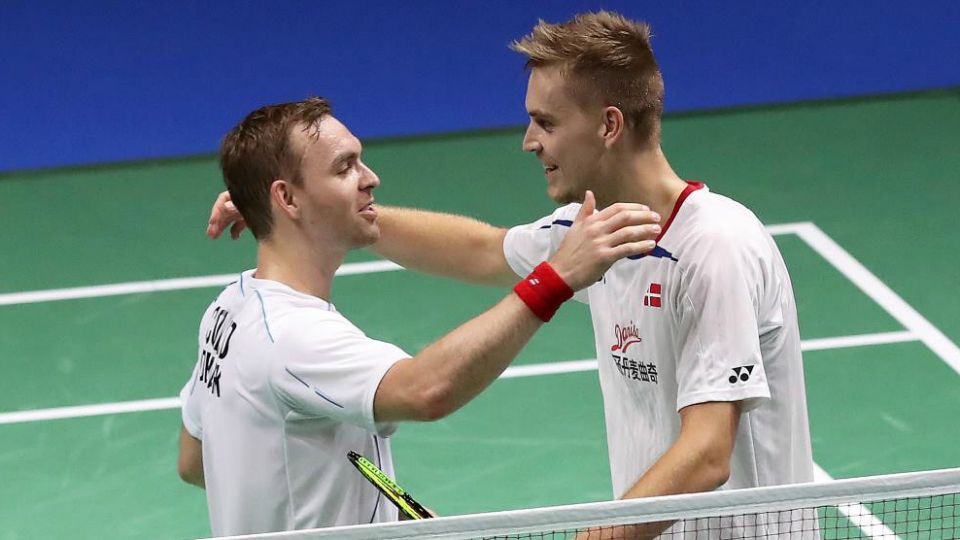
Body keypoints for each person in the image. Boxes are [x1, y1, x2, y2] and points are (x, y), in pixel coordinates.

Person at [209, 11, 815, 538]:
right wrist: (316, 212)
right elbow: (483, 250)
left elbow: (708, 454)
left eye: (546, 123)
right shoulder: (590, 233)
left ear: (608, 125)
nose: (528, 142)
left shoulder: (716, 245)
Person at [180, 96, 661, 537]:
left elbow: (195, 461)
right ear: (287, 199)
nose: (371, 178)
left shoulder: (229, 307)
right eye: (345, 168)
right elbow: (426, 390)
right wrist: (556, 277)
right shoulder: (293, 336)